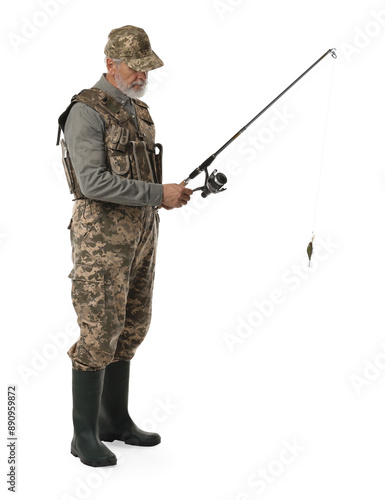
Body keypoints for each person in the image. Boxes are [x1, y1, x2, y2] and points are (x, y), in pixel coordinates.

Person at [57, 25, 193, 467]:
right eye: (135, 68)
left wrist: (169, 196)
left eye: (146, 69)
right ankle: (84, 436)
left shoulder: (139, 111)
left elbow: (139, 178)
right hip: (101, 241)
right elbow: (93, 182)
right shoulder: (85, 111)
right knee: (98, 331)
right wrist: (158, 193)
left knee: (132, 325)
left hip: (142, 236)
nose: (142, 76)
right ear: (110, 64)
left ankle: (115, 421)